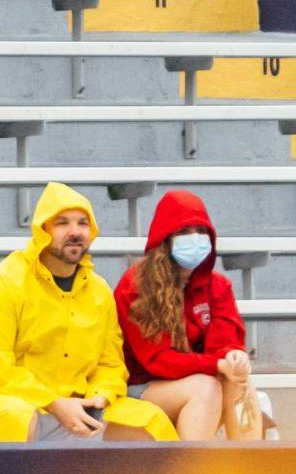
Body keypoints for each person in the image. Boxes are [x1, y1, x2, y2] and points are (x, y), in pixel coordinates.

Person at [0, 183, 178, 443]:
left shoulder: (99, 291)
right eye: (62, 223)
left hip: (77, 407)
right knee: (15, 416)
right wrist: (54, 403)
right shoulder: (4, 282)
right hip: (5, 400)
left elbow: (110, 364)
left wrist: (99, 398)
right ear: (43, 230)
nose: (74, 232)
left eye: (82, 223)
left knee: (150, 423)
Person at [114, 188, 275, 441]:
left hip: (198, 384)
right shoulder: (135, 287)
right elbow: (157, 360)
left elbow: (225, 344)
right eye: (184, 232)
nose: (195, 238)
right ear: (165, 239)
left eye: (201, 231)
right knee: (206, 387)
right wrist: (216, 364)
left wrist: (234, 357)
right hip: (141, 388)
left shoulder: (218, 286)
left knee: (241, 383)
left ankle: (248, 469)